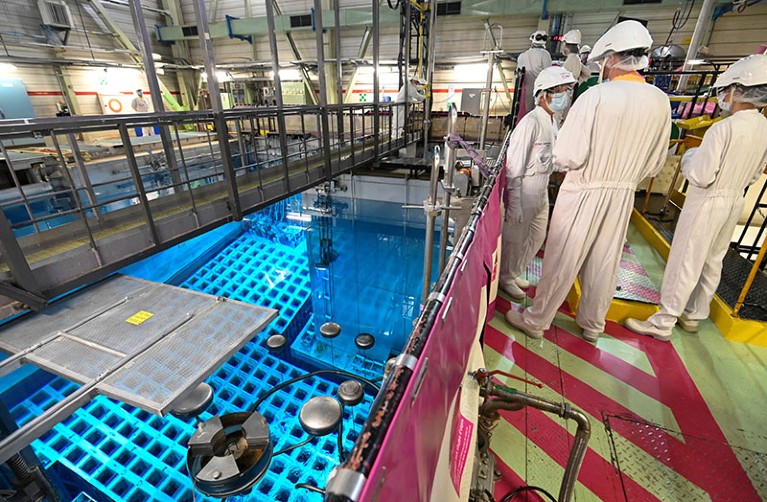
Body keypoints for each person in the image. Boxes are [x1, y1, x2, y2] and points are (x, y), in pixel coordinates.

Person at [504, 20, 671, 342]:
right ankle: (593, 324)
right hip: (623, 194)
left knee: (562, 258)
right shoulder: (659, 100)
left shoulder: (596, 97)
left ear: (610, 58)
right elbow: (654, 164)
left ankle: (537, 320)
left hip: (584, 190)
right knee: (606, 261)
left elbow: (568, 156)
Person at [625, 54, 767, 341]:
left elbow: (701, 175)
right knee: (714, 260)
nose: (723, 97)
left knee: (686, 260)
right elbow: (755, 175)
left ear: (738, 90)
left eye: (726, 91)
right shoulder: (763, 128)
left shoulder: (723, 128)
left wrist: (690, 156)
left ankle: (664, 321)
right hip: (734, 199)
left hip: (707, 200)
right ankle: (694, 315)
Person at [500, 66, 576, 300]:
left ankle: (513, 272)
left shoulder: (552, 122)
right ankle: (505, 277)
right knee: (515, 240)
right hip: (524, 193)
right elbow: (514, 166)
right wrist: (514, 203)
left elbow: (549, 157)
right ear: (543, 94)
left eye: (566, 91)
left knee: (536, 237)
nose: (564, 96)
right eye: (560, 91)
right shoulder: (530, 123)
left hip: (541, 192)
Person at [517, 31, 552, 118]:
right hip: (540, 89)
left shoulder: (522, 55)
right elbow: (548, 72)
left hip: (526, 90)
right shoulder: (545, 54)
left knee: (528, 113)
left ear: (532, 41)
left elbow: (519, 74)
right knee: (539, 113)